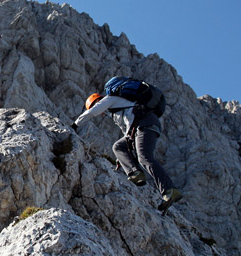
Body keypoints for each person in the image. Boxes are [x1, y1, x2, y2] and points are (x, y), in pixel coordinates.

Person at [73, 85, 182, 213]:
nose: (101, 113)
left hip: (145, 124)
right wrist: (123, 159)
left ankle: (169, 190)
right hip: (140, 127)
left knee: (145, 158)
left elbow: (92, 112)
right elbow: (127, 132)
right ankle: (136, 174)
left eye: (95, 106)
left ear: (97, 101)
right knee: (118, 146)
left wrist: (75, 125)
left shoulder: (110, 99)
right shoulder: (116, 111)